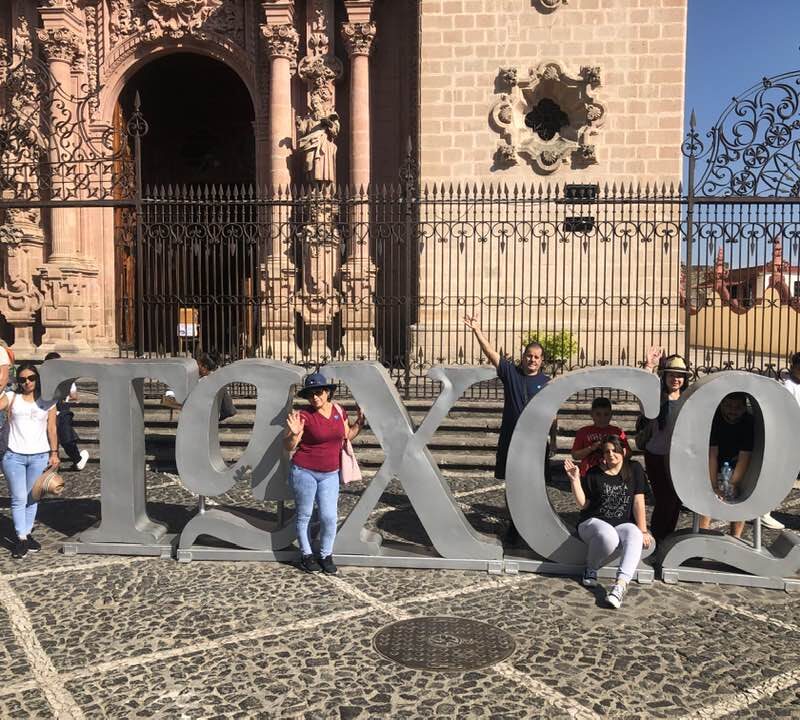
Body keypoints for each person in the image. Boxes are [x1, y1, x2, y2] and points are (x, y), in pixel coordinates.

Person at [463, 315, 552, 544]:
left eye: (536, 357)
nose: (532, 360)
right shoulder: (511, 374)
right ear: (522, 358)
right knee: (512, 485)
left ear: (541, 361)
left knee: (534, 484)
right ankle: (515, 524)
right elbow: (491, 353)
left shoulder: (548, 381)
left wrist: (552, 438)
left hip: (535, 443)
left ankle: (533, 524)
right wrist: (477, 330)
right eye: (529, 356)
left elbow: (553, 413)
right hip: (511, 441)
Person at [284, 371, 364, 575]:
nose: (315, 397)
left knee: (329, 517)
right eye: (310, 394)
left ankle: (326, 555)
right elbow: (289, 446)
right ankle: (307, 555)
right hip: (304, 471)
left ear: (327, 392)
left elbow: (346, 435)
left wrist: (359, 423)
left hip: (330, 473)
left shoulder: (339, 411)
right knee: (305, 516)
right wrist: (293, 434)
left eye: (318, 392)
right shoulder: (304, 415)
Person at [565, 436, 652, 609]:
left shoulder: (634, 469)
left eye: (615, 450)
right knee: (608, 535)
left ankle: (619, 587)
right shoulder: (594, 473)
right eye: (607, 451)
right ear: (603, 454)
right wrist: (575, 480)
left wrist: (643, 530)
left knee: (633, 532)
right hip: (592, 523)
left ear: (624, 451)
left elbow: (638, 501)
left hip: (621, 523)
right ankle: (591, 568)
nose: (611, 454)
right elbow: (584, 504)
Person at [0, 362, 59, 559]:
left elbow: (52, 428)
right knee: (18, 498)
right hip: (14, 455)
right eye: (23, 379)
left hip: (40, 455)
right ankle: (22, 538)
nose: (27, 382)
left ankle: (25, 534)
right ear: (18, 381)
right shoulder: (12, 397)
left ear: (38, 379)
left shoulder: (48, 401)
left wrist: (54, 452)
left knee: (32, 497)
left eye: (31, 378)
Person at [637, 348, 691, 542]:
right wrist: (649, 366)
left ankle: (667, 537)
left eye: (680, 376)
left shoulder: (688, 399)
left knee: (676, 500)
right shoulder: (657, 397)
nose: (676, 379)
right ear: (664, 376)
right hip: (657, 455)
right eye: (672, 375)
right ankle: (659, 538)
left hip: (678, 458)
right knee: (664, 498)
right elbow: (643, 392)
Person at [701, 393, 755, 538]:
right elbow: (712, 454)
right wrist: (713, 487)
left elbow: (745, 457)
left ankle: (735, 539)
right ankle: (702, 536)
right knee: (707, 501)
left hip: (738, 461)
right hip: (716, 459)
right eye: (729, 406)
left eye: (738, 407)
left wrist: (733, 484)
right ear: (722, 405)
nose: (733, 410)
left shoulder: (749, 423)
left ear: (744, 408)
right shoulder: (714, 418)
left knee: (739, 500)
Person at [43, 352, 89, 471]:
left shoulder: (66, 378)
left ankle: (77, 459)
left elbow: (74, 395)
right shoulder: (42, 378)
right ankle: (52, 464)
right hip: (46, 410)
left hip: (62, 410)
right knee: (49, 438)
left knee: (67, 438)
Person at [163, 351, 237, 421]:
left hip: (206, 417)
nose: (196, 368)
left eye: (198, 365)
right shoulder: (217, 378)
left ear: (204, 367)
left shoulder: (204, 382)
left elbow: (189, 402)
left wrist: (170, 398)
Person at [571, 397, 630, 477]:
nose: (602, 418)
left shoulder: (617, 432)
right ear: (591, 414)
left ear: (611, 415)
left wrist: (615, 450)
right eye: (598, 414)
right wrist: (591, 448)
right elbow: (575, 455)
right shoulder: (583, 432)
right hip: (588, 473)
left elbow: (628, 453)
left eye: (606, 414)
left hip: (612, 473)